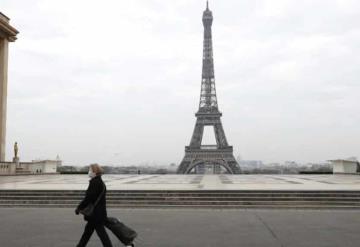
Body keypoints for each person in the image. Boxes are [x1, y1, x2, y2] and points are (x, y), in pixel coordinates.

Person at [75, 164, 113, 247]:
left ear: (95, 172)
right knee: (88, 232)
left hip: (95, 214)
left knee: (101, 234)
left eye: (90, 170)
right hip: (98, 213)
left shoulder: (95, 183)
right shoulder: (100, 182)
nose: (89, 172)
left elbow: (88, 198)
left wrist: (79, 208)